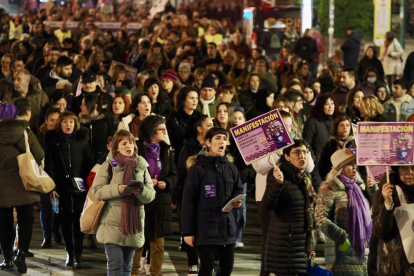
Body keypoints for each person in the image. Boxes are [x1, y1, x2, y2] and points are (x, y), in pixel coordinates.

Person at [91, 129, 156, 276]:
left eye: (131, 143)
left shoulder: (141, 166)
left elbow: (151, 195)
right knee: (115, 265)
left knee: (127, 267)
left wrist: (141, 191)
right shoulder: (108, 165)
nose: (129, 146)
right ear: (116, 147)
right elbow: (96, 190)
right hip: (112, 223)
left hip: (133, 224)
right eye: (124, 143)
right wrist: (117, 189)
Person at [182, 127, 243, 276]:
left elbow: (238, 188)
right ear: (208, 143)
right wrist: (188, 231)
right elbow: (188, 202)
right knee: (206, 268)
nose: (222, 141)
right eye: (218, 138)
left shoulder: (231, 167)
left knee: (227, 269)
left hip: (227, 228)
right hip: (204, 228)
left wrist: (237, 201)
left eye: (224, 138)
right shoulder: (197, 169)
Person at [44, 111, 93, 269]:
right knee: (65, 220)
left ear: (75, 124)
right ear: (60, 124)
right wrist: (52, 187)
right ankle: (69, 252)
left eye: (71, 122)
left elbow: (88, 164)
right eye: (64, 122)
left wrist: (90, 187)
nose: (68, 125)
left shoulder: (83, 141)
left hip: (80, 189)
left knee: (79, 222)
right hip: (61, 188)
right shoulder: (54, 142)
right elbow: (49, 166)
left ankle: (78, 254)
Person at [316, 149, 377, 275]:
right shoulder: (330, 187)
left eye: (355, 163)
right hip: (340, 252)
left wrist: (373, 190)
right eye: (350, 164)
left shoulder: (359, 188)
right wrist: (341, 236)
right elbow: (320, 218)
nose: (354, 167)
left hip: (362, 251)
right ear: (340, 168)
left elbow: (375, 211)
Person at [262, 139, 317, 275]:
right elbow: (268, 205)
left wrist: (310, 244)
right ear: (286, 156)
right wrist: (277, 184)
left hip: (301, 241)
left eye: (304, 152)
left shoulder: (306, 178)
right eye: (297, 152)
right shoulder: (277, 174)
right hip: (284, 242)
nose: (302, 156)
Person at [0, 103, 44, 273]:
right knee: (26, 221)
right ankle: (22, 254)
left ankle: (8, 259)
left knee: (4, 223)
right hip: (24, 182)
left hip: (2, 187)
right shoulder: (25, 131)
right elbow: (39, 154)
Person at [133, 115, 177, 276]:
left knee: (158, 244)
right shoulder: (137, 148)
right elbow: (130, 172)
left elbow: (174, 174)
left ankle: (155, 273)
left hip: (160, 202)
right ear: (151, 130)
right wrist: (145, 181)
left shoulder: (167, 150)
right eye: (161, 129)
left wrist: (166, 183)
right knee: (137, 242)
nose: (165, 132)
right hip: (140, 200)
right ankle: (133, 272)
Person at [372, 165, 414, 275]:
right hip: (396, 267)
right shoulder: (387, 191)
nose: (410, 172)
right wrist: (388, 204)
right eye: (404, 168)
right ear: (397, 170)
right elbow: (381, 232)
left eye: (413, 168)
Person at [35, 107, 62, 248]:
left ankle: (55, 229)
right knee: (45, 207)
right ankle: (47, 236)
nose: (54, 123)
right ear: (46, 121)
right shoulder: (39, 137)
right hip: (43, 176)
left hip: (59, 176)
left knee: (58, 207)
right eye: (52, 120)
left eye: (57, 120)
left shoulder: (63, 137)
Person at [303, 93, 337, 191]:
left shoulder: (337, 122)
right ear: (321, 106)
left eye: (332, 103)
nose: (330, 106)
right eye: (326, 104)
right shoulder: (312, 122)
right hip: (317, 167)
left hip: (334, 166)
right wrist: (313, 159)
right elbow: (307, 143)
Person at [2, 69, 48, 134]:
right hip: (17, 134)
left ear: (27, 81)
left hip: (37, 133)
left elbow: (47, 114)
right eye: (14, 79)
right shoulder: (9, 98)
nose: (15, 82)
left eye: (19, 79)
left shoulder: (40, 96)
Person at [167, 86, 200, 164]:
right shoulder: (172, 119)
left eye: (197, 98)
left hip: (197, 158)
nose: (195, 101)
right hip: (178, 159)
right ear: (183, 100)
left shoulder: (201, 118)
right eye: (191, 98)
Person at [79, 94, 117, 163]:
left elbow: (114, 139)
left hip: (103, 160)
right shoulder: (81, 124)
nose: (81, 107)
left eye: (84, 104)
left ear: (95, 106)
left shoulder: (106, 121)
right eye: (82, 104)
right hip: (85, 161)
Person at [318, 116, 356, 181]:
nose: (345, 127)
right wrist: (328, 178)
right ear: (337, 129)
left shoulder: (355, 144)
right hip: (334, 180)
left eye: (347, 125)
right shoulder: (329, 145)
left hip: (353, 180)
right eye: (342, 125)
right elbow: (322, 166)